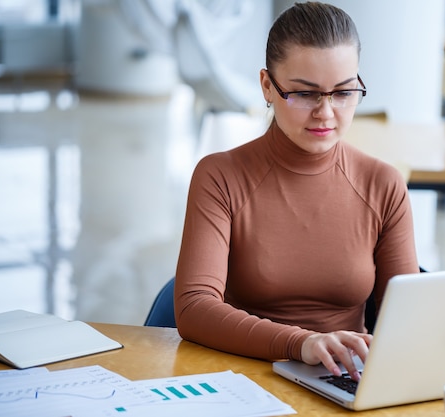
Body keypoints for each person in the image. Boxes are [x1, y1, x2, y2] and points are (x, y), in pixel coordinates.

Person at [175, 1, 419, 381]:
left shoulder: (383, 185)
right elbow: (193, 309)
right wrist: (302, 343)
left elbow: (409, 322)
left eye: (343, 93)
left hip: (347, 381)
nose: (325, 112)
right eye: (305, 94)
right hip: (242, 377)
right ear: (268, 86)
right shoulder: (220, 176)